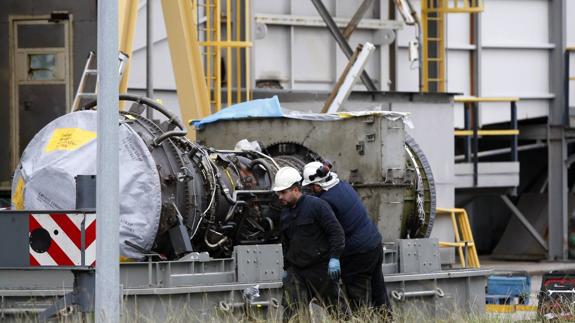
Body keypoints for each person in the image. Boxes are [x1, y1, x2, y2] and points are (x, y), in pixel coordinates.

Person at [302, 161, 392, 317]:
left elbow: (329, 232)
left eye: (311, 187)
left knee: (360, 303)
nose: (310, 190)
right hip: (374, 245)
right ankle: (388, 319)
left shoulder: (326, 201)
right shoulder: (343, 185)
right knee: (379, 295)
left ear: (318, 185)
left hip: (357, 255)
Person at [272, 166, 345, 321]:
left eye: (283, 192)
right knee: (292, 315)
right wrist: (287, 268)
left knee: (339, 313)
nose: (280, 196)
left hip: (321, 269)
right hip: (297, 271)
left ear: (296, 189)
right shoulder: (285, 214)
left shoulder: (317, 206)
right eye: (278, 193)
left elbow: (336, 233)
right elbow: (286, 243)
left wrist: (335, 258)